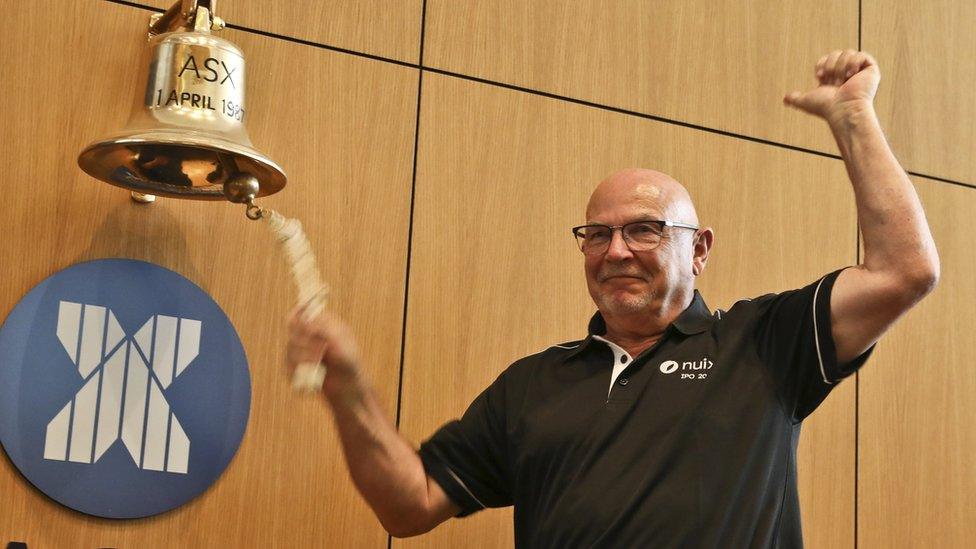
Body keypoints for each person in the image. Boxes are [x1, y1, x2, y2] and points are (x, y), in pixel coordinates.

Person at [286, 50, 939, 547]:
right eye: (598, 233)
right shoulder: (534, 384)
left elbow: (903, 271)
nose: (616, 250)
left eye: (645, 230)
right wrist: (348, 390)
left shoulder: (763, 344)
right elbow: (412, 501)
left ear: (700, 249)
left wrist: (854, 120)